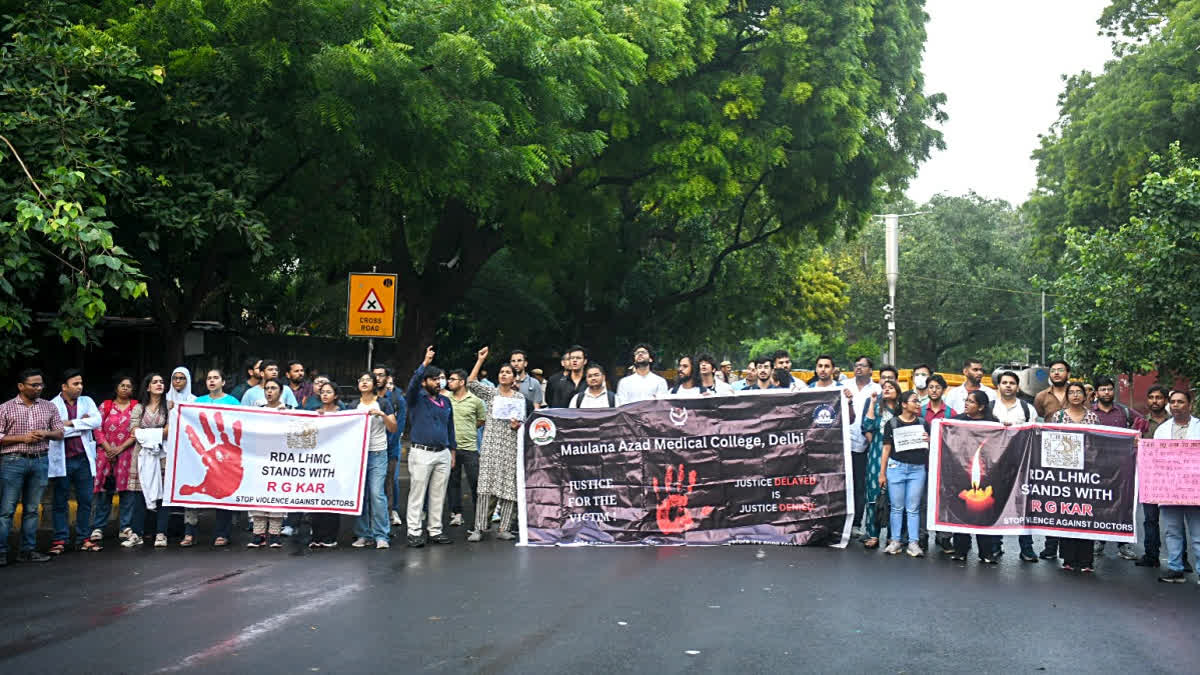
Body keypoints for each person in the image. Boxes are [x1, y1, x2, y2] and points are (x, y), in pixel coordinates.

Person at [0, 369, 65, 564]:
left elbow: (60, 432)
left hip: (40, 459)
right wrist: (23, 438)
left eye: (41, 385)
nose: (39, 388)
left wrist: (46, 434)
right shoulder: (5, 408)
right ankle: (1, 552)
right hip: (13, 461)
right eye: (34, 385)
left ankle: (27, 550)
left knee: (31, 509)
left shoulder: (49, 407)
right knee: (6, 510)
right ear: (21, 386)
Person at [466, 347, 530, 542]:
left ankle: (504, 527)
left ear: (514, 378)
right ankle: (479, 528)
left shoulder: (519, 398)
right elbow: (470, 383)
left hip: (510, 446)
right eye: (502, 372)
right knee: (485, 487)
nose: (504, 375)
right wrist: (480, 360)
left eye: (508, 372)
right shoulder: (491, 393)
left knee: (509, 487)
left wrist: (516, 425)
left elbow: (523, 422)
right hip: (490, 446)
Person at [405, 346, 456, 547]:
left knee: (438, 493)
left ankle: (435, 530)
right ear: (425, 382)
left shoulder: (445, 401)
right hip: (421, 452)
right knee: (417, 493)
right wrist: (424, 363)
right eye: (434, 379)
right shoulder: (416, 398)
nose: (439, 382)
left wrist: (452, 450)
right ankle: (414, 531)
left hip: (442, 452)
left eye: (440, 378)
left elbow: (450, 426)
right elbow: (412, 385)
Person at [1090, 376, 1145, 560]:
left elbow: (1142, 424)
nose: (1106, 392)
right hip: (1096, 468)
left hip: (1121, 468)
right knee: (1098, 505)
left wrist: (1138, 436)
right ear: (1096, 393)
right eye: (1102, 389)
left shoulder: (1124, 412)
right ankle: (1099, 541)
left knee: (1122, 505)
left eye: (1109, 389)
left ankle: (1123, 544)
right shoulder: (1089, 412)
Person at [49, 369, 102, 555]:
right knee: (60, 501)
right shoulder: (52, 405)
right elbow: (55, 431)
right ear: (64, 386)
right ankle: (59, 540)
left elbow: (97, 421)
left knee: (86, 500)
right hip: (63, 459)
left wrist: (70, 423)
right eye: (75, 384)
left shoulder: (87, 401)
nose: (80, 387)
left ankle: (83, 538)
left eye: (81, 383)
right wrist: (81, 424)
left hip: (83, 460)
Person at [1049, 382, 1100, 572]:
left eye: (1079, 392)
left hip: (1087, 473)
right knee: (1068, 513)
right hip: (1065, 473)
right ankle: (1069, 558)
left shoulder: (1093, 417)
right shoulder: (1058, 416)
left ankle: (1086, 559)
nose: (1076, 395)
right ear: (1067, 396)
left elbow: (1099, 443)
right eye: (1072, 392)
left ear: (1085, 395)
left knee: (1086, 514)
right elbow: (1050, 440)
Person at [948, 390, 1002, 562]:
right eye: (966, 400)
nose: (966, 404)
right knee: (961, 512)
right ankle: (960, 550)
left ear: (981, 407)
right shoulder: (956, 421)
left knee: (983, 513)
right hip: (961, 473)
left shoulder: (993, 423)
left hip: (985, 475)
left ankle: (986, 552)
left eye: (971, 401)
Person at [345, 371, 398, 549]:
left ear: (375, 384)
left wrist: (382, 415)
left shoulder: (383, 402)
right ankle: (363, 534)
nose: (365, 383)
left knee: (376, 493)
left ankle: (381, 535)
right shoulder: (353, 405)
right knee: (361, 495)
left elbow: (393, 428)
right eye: (362, 380)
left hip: (378, 453)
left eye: (369, 380)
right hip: (358, 455)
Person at [1154, 389, 1200, 583]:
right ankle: (1175, 568)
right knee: (1172, 531)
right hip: (1168, 488)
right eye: (1172, 402)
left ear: (1190, 405)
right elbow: (1154, 458)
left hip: (1194, 489)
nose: (1175, 405)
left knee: (1198, 534)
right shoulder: (1161, 430)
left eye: (1180, 402)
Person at [90, 375, 141, 546]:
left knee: (127, 492)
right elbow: (97, 428)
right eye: (122, 385)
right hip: (105, 455)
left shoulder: (136, 407)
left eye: (129, 386)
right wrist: (107, 447)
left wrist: (120, 448)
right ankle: (98, 527)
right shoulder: (105, 406)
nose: (126, 388)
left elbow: (137, 431)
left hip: (127, 453)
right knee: (105, 491)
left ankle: (125, 527)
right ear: (116, 388)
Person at [244, 378, 295, 548]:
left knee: (276, 494)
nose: (269, 391)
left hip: (279, 460)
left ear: (281, 392)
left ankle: (274, 535)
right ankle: (258, 534)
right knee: (258, 493)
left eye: (273, 388)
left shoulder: (290, 411)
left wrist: (286, 415)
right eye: (267, 388)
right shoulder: (257, 411)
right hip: (259, 458)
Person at [880, 390, 930, 557]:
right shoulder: (892, 424)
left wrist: (929, 440)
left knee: (913, 507)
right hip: (896, 467)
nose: (918, 404)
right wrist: (882, 473)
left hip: (917, 469)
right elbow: (886, 449)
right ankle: (895, 541)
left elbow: (931, 447)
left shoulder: (923, 423)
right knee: (896, 507)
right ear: (904, 404)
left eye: (918, 401)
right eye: (914, 401)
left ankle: (913, 543)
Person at [193, 368, 239, 546]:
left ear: (223, 382)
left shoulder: (233, 402)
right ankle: (190, 532)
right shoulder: (198, 402)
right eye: (209, 378)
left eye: (215, 378)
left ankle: (222, 532)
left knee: (223, 492)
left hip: (226, 455)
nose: (211, 381)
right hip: (203, 454)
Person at [1136, 385, 1174, 568]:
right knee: (1150, 519)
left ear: (1165, 400)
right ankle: (1151, 555)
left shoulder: (1175, 423)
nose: (1155, 401)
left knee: (1174, 521)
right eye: (1151, 397)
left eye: (1159, 397)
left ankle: (1180, 558)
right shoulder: (1141, 423)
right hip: (1149, 478)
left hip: (1173, 479)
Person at [131, 373, 170, 549]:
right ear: (147, 387)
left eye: (161, 382)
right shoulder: (139, 408)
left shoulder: (169, 407)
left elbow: (170, 430)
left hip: (163, 454)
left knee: (163, 493)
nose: (159, 384)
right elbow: (134, 431)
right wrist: (157, 433)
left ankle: (161, 533)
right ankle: (137, 533)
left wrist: (147, 434)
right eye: (155, 382)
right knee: (139, 493)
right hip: (141, 453)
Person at [860, 379, 900, 548]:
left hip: (897, 456)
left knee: (894, 497)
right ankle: (872, 534)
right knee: (874, 494)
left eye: (891, 387)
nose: (887, 389)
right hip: (876, 455)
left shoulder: (901, 410)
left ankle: (893, 536)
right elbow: (867, 426)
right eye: (884, 388)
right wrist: (873, 403)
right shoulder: (878, 408)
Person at [846, 356, 882, 538]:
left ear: (871, 370)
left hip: (867, 444)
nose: (858, 368)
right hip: (844, 442)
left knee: (861, 485)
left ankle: (857, 523)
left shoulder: (877, 390)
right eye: (856, 365)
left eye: (863, 366)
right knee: (845, 484)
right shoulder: (844, 385)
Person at [446, 369, 486, 528]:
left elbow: (481, 420)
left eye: (452, 379)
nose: (449, 382)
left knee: (475, 481)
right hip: (451, 448)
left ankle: (479, 517)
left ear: (462, 382)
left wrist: (469, 429)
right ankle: (457, 514)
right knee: (453, 483)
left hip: (470, 447)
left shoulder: (476, 400)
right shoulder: (446, 398)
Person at [309, 380, 347, 548]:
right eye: (322, 392)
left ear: (336, 395)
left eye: (328, 392)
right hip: (317, 462)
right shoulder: (313, 412)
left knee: (331, 498)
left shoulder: (344, 413)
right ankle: (316, 536)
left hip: (336, 461)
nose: (324, 394)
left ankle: (330, 537)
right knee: (316, 497)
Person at [372, 363, 407, 530]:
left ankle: (388, 517)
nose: (377, 378)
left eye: (380, 375)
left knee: (388, 483)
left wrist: (388, 445)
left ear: (387, 378)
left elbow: (398, 427)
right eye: (375, 375)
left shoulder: (396, 399)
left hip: (389, 448)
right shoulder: (367, 398)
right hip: (369, 448)